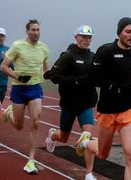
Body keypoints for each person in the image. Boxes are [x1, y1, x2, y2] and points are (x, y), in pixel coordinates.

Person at [75, 17, 131, 180]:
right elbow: (92, 78)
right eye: (128, 32)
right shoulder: (106, 51)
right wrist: (110, 85)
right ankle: (86, 142)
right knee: (102, 154)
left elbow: (129, 73)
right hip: (108, 109)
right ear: (119, 33)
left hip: (129, 108)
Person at [44, 25, 98, 180]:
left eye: (89, 37)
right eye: (83, 37)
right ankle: (53, 135)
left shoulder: (93, 57)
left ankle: (88, 173)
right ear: (76, 37)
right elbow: (53, 76)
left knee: (87, 135)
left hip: (86, 103)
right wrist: (73, 81)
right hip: (69, 103)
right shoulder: (67, 56)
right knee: (64, 138)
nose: (87, 40)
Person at [1, 19, 49, 174]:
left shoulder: (44, 48)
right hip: (19, 88)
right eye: (33, 30)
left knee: (36, 121)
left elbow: (46, 70)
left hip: (35, 88)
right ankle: (9, 113)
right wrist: (18, 76)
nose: (36, 32)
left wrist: (55, 75)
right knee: (19, 125)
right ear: (27, 31)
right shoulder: (17, 46)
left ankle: (31, 161)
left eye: (38, 30)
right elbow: (3, 67)